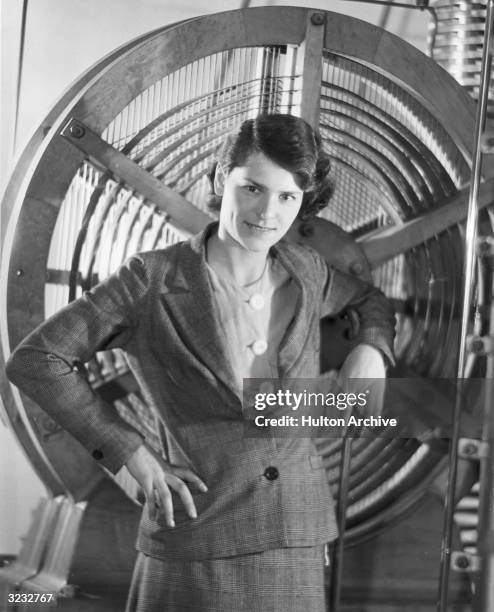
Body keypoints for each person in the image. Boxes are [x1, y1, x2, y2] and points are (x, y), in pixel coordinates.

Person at [6, 114, 395, 612]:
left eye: (286, 197)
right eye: (252, 188)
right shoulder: (151, 280)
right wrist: (131, 456)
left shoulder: (308, 270)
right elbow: (37, 360)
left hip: (295, 534)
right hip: (197, 531)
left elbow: (371, 301)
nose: (266, 212)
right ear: (219, 178)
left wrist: (371, 349)